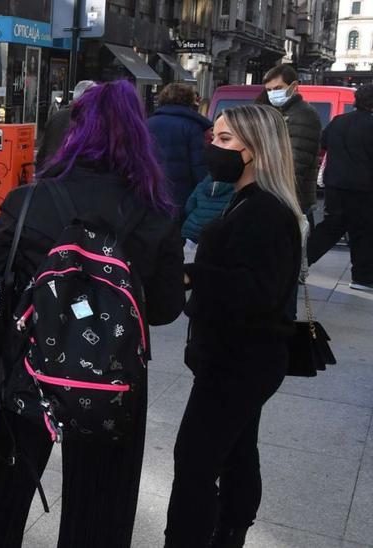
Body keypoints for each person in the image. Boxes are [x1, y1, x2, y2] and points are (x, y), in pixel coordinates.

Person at [0, 81, 186, 547]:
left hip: (28, 367)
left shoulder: (27, 201)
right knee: (101, 506)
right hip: (113, 376)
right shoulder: (158, 212)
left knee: (5, 495)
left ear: (73, 133)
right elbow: (165, 309)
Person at [164, 105, 305, 548]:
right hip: (239, 357)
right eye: (215, 138)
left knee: (195, 460)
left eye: (225, 141)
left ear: (255, 149)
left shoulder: (265, 210)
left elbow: (258, 290)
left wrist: (193, 274)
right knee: (237, 451)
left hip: (240, 360)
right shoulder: (245, 199)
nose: (214, 148)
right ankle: (230, 530)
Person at [307, 84, 373, 291]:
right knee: (363, 231)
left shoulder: (338, 121)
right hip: (364, 187)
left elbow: (324, 143)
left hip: (335, 184)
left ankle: (300, 261)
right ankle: (362, 277)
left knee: (331, 226)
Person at [257, 64, 322, 214]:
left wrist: (281, 195)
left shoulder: (303, 114)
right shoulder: (279, 112)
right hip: (280, 192)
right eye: (269, 90)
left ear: (293, 86)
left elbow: (296, 163)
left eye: (278, 88)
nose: (273, 93)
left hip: (292, 197)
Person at [148, 82, 212, 206]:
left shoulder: (147, 124)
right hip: (183, 196)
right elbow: (199, 166)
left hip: (152, 191)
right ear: (189, 101)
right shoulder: (193, 127)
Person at [35, 80, 95, 169]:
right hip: (71, 175)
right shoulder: (91, 120)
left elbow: (42, 153)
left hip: (51, 173)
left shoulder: (56, 117)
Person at [182, 175, 235, 244]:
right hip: (216, 233)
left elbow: (189, 206)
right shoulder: (234, 189)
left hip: (193, 230)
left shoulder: (201, 185)